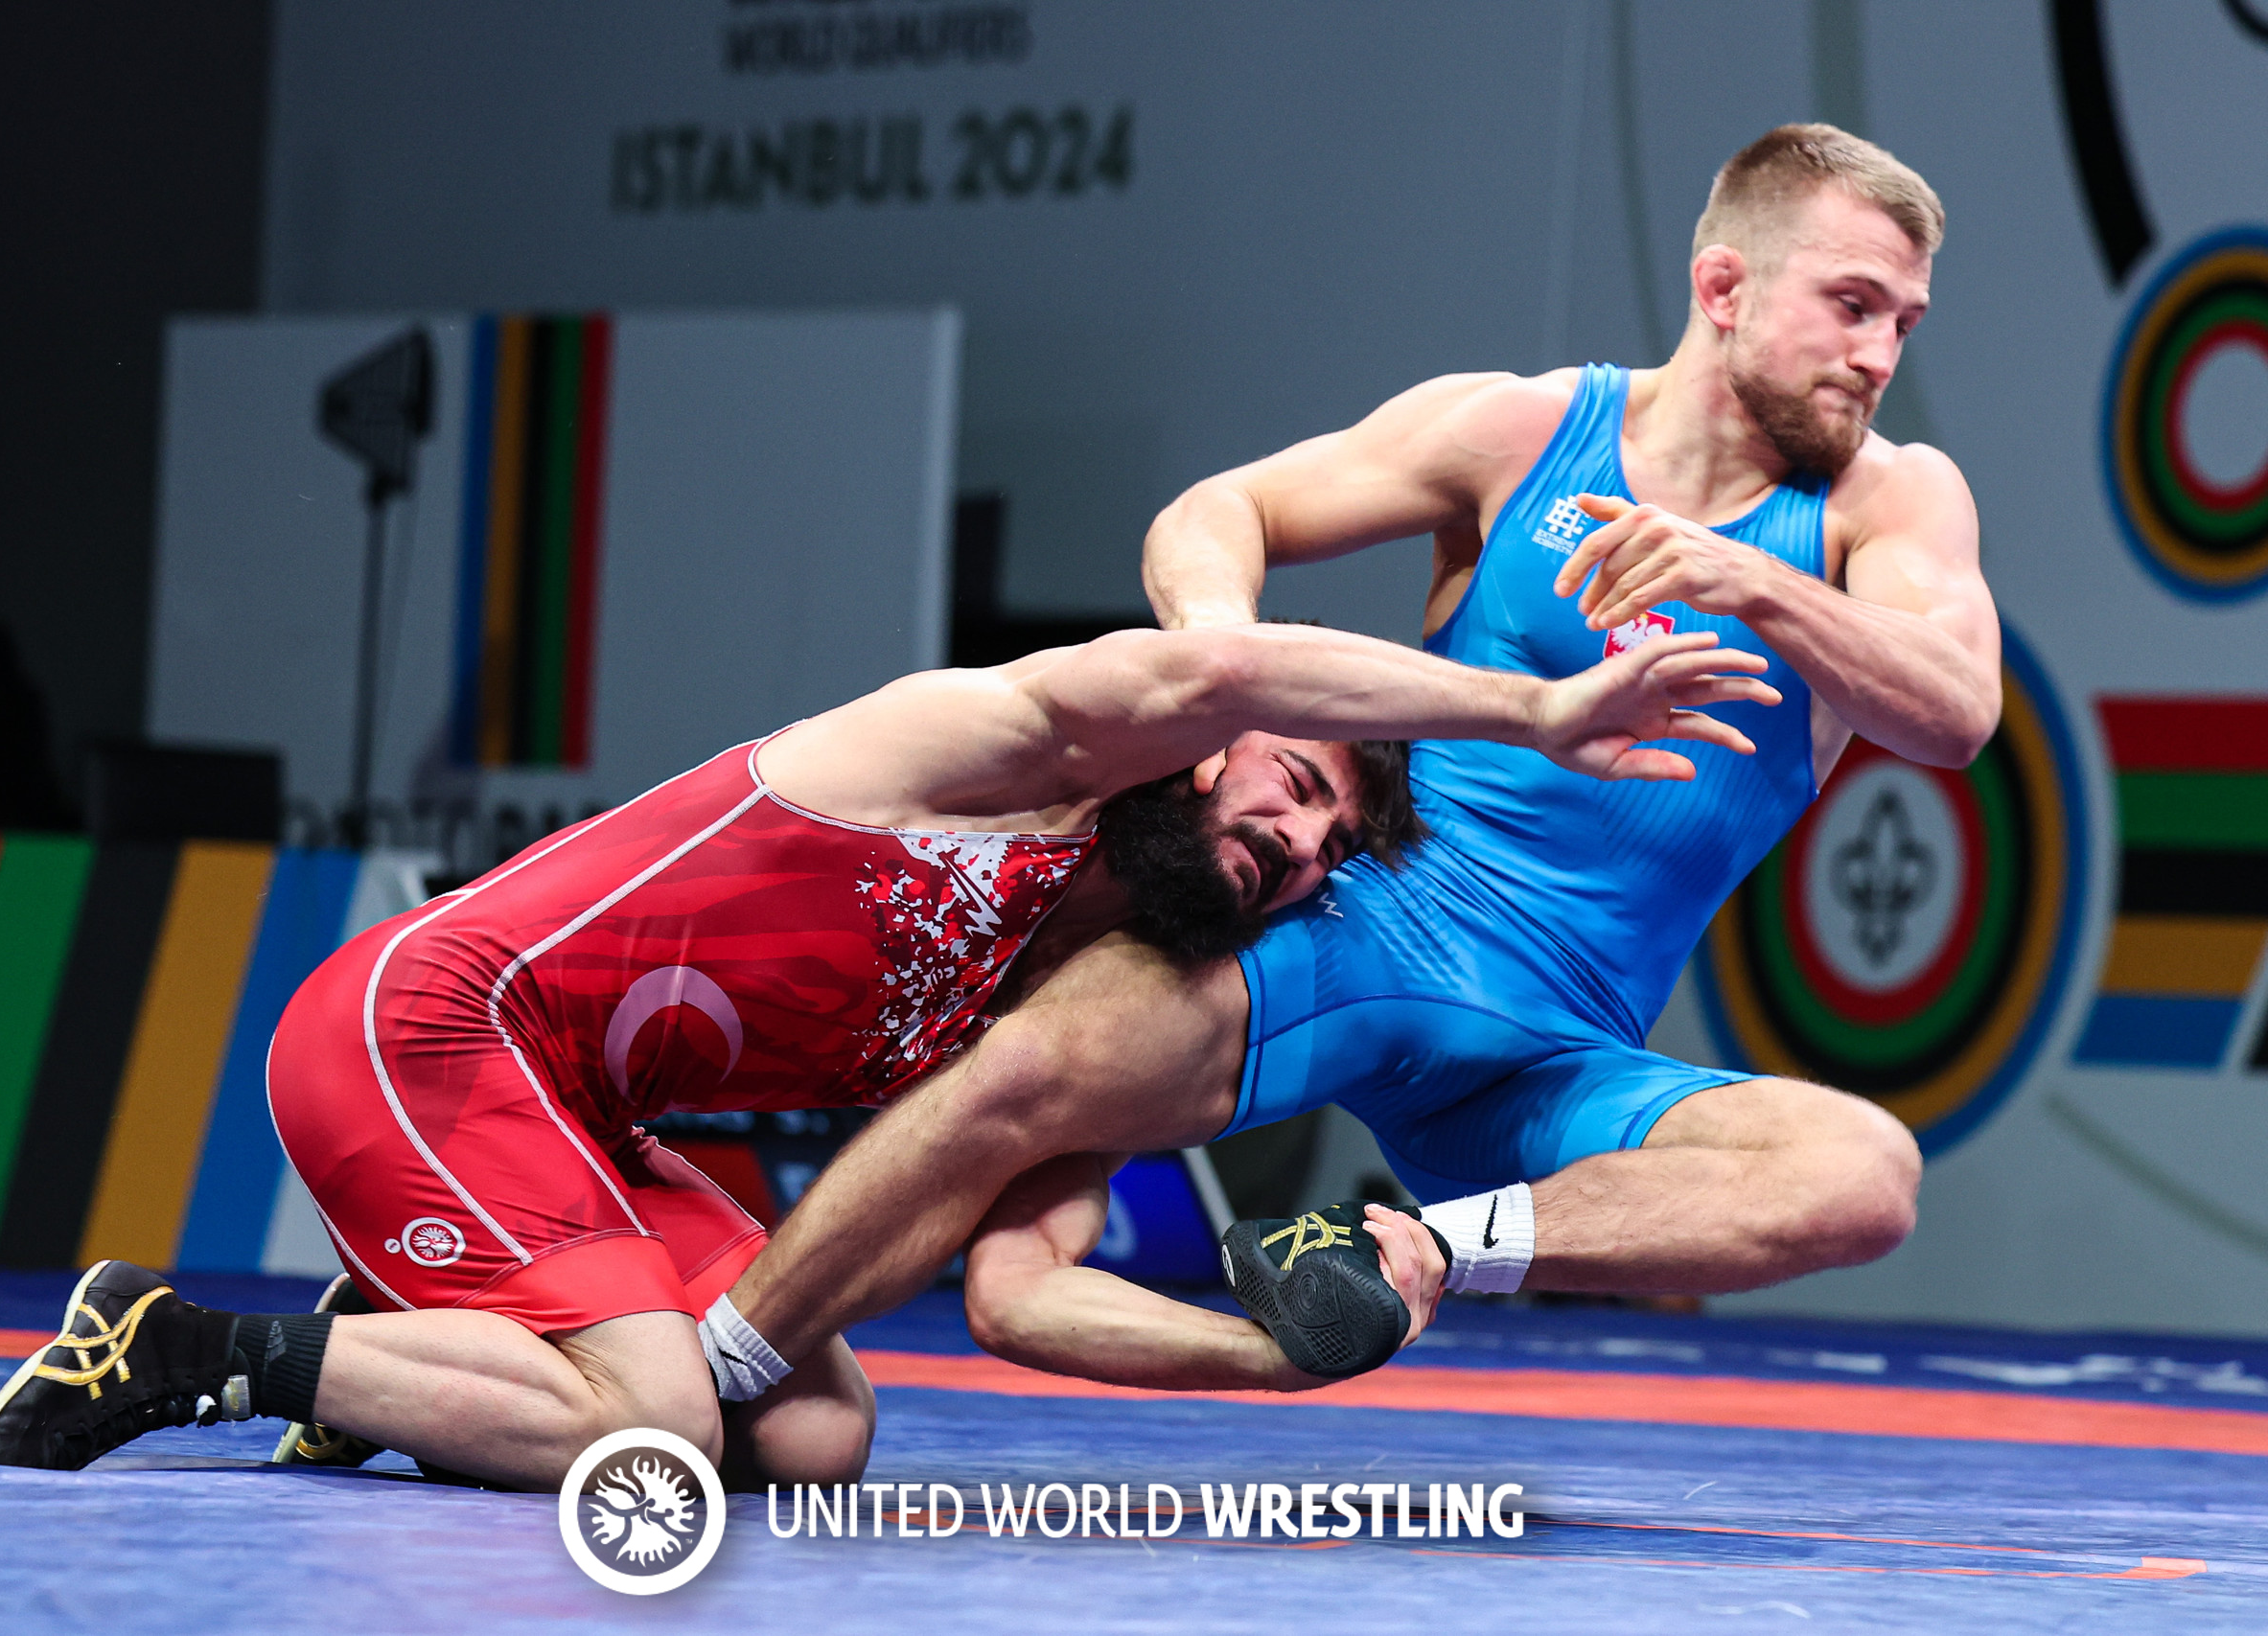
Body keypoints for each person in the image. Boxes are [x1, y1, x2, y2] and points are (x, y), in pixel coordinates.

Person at [706, 122, 1999, 1394]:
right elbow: (1225, 509)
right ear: (1725, 287)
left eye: (1905, 322)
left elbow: (1954, 709)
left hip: (1556, 1061)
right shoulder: (1522, 432)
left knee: (1863, 1171)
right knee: (1024, 1157)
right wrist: (1224, 665)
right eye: (1852, 305)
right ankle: (712, 1377)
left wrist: (1755, 588)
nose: (1879, 353)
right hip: (1357, 936)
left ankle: (1419, 1255)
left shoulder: (1888, 503)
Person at [0, 616, 1772, 1487]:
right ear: (1215, 744)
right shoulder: (990, 744)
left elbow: (1016, 1293)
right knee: (664, 1423)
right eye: (1292, 783)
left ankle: (401, 1359)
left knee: (814, 1426)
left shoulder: (1075, 995)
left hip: (573, 1119)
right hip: (428, 1033)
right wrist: (1537, 708)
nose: (1293, 846)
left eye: (1326, 852)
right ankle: (185, 1342)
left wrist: (1279, 1356)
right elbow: (1217, 653)